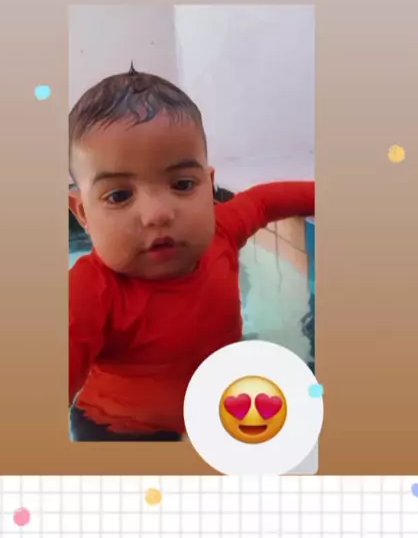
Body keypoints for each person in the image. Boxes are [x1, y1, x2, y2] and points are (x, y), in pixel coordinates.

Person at [69, 66, 315, 441]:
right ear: (83, 213)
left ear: (209, 187)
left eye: (183, 184)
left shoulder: (221, 231)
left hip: (215, 409)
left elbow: (263, 202)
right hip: (120, 430)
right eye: (119, 195)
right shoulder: (88, 291)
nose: (157, 214)